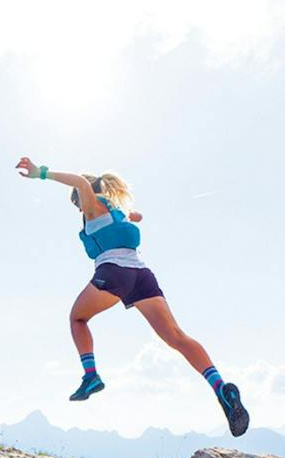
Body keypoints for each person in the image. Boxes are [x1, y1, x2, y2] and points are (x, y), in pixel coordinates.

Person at [15, 157, 250, 437]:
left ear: (83, 195)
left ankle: (90, 376)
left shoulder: (90, 204)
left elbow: (79, 181)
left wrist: (40, 173)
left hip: (114, 272)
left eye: (75, 202)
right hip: (142, 275)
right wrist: (130, 216)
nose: (77, 207)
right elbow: (132, 219)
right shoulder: (115, 211)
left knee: (77, 318)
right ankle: (221, 388)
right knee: (176, 337)